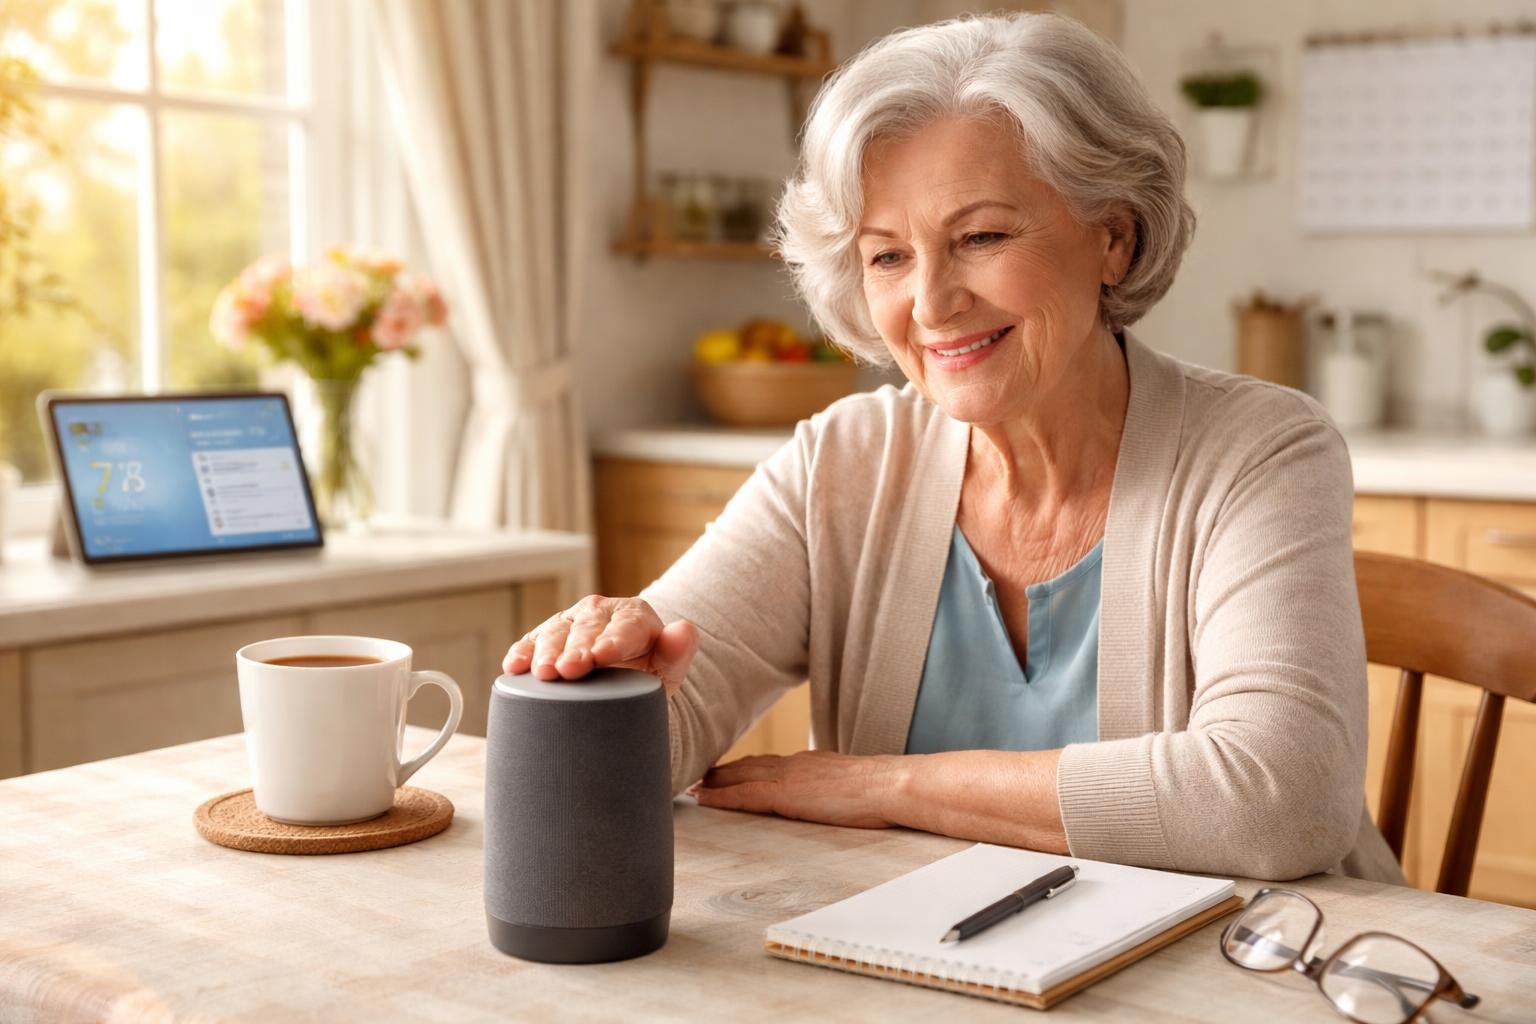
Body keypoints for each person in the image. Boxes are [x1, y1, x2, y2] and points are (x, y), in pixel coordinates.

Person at [504, 12, 1403, 883]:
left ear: (1113, 240)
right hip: (941, 972)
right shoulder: (843, 463)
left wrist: (888, 787)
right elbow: (670, 708)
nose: (931, 305)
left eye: (980, 236)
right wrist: (608, 678)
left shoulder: (1261, 452)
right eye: (888, 256)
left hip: (1255, 974)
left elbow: (1281, 799)